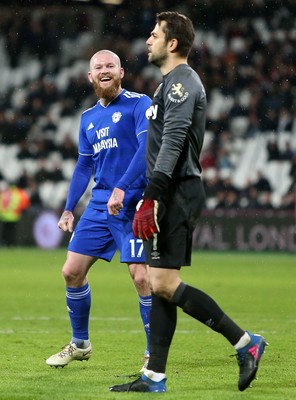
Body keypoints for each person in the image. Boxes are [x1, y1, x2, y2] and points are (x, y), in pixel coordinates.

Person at [109, 12, 267, 393]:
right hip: (173, 189)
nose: (147, 41)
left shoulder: (180, 84)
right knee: (161, 283)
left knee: (163, 282)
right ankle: (154, 376)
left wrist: (151, 197)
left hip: (174, 190)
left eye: (154, 34)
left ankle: (246, 343)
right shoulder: (172, 83)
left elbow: (174, 142)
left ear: (172, 43)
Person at [45, 50, 152, 371]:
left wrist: (124, 187)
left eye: (109, 65)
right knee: (71, 271)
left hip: (133, 202)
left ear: (121, 72)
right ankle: (80, 343)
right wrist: (68, 208)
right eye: (97, 67)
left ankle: (152, 352)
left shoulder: (139, 104)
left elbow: (148, 149)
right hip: (99, 204)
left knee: (142, 276)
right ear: (90, 77)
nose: (104, 70)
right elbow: (84, 166)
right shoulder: (88, 118)